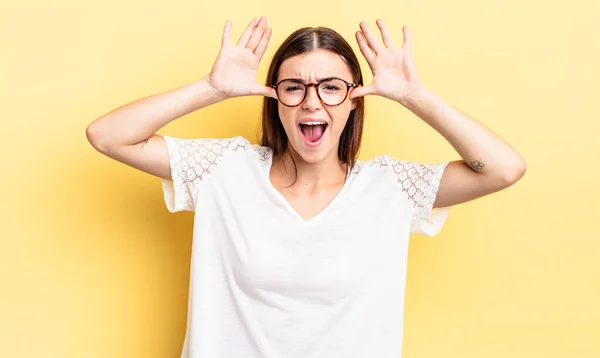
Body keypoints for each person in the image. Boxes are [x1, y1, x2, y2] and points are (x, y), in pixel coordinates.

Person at [86, 16, 526, 358]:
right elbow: (108, 135)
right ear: (274, 99)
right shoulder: (223, 170)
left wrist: (414, 95)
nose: (312, 101)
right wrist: (211, 88)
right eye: (294, 87)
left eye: (331, 88)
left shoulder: (391, 188)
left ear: (354, 101)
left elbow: (502, 169)